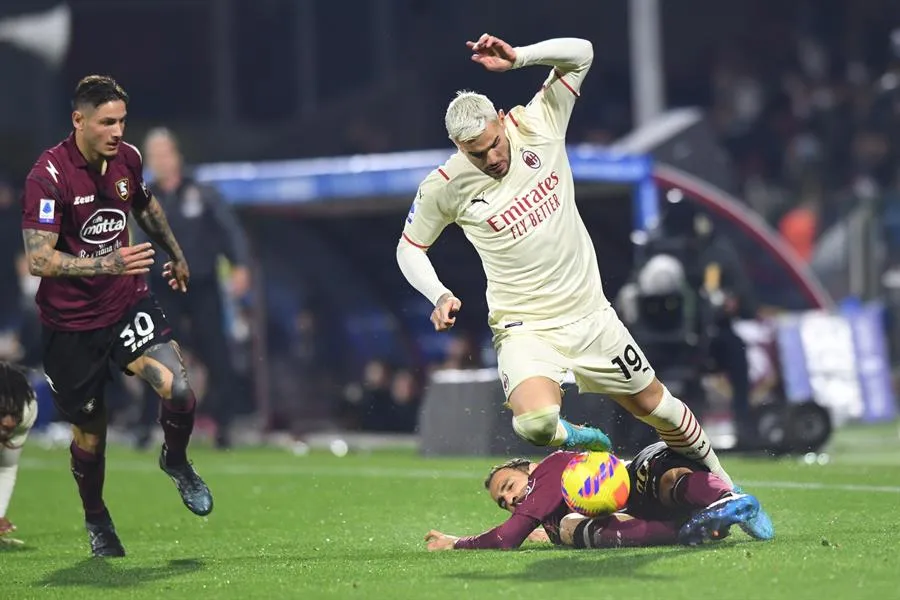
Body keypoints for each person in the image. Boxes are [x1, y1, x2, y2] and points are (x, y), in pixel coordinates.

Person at [396, 33, 732, 487]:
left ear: (501, 120)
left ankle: (724, 486)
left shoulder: (538, 122)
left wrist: (520, 59)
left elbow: (583, 53)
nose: (492, 158)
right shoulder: (443, 187)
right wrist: (437, 293)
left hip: (590, 315)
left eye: (494, 143)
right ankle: (581, 437)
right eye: (476, 154)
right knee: (534, 426)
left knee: (658, 407)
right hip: (524, 325)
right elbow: (409, 247)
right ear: (460, 149)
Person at [20, 75, 213, 558]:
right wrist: (108, 262)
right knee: (91, 435)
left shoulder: (127, 159)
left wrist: (175, 251)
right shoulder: (48, 177)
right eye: (107, 122)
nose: (116, 131)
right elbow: (39, 259)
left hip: (126, 304)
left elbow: (144, 207)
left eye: (122, 121)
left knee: (180, 388)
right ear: (78, 120)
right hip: (71, 328)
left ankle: (176, 460)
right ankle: (96, 518)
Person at [424, 442, 774, 551]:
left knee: (667, 480)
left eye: (509, 487)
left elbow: (506, 538)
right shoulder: (548, 517)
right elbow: (526, 529)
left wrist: (456, 543)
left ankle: (723, 501)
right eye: (502, 502)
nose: (510, 501)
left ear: (529, 468)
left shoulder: (551, 468)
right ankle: (715, 510)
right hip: (641, 506)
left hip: (639, 472)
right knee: (572, 529)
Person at [136, 127, 252, 449]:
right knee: (154, 354)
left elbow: (231, 231)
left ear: (176, 155)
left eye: (164, 153)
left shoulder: (202, 191)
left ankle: (223, 426)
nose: (160, 160)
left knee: (218, 355)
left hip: (201, 285)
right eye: (153, 155)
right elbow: (139, 243)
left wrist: (240, 265)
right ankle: (145, 426)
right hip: (162, 285)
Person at [0, 362, 38, 546]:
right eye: (1, 412)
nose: (8, 422)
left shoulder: (27, 411)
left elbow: (6, 467)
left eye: (12, 413)